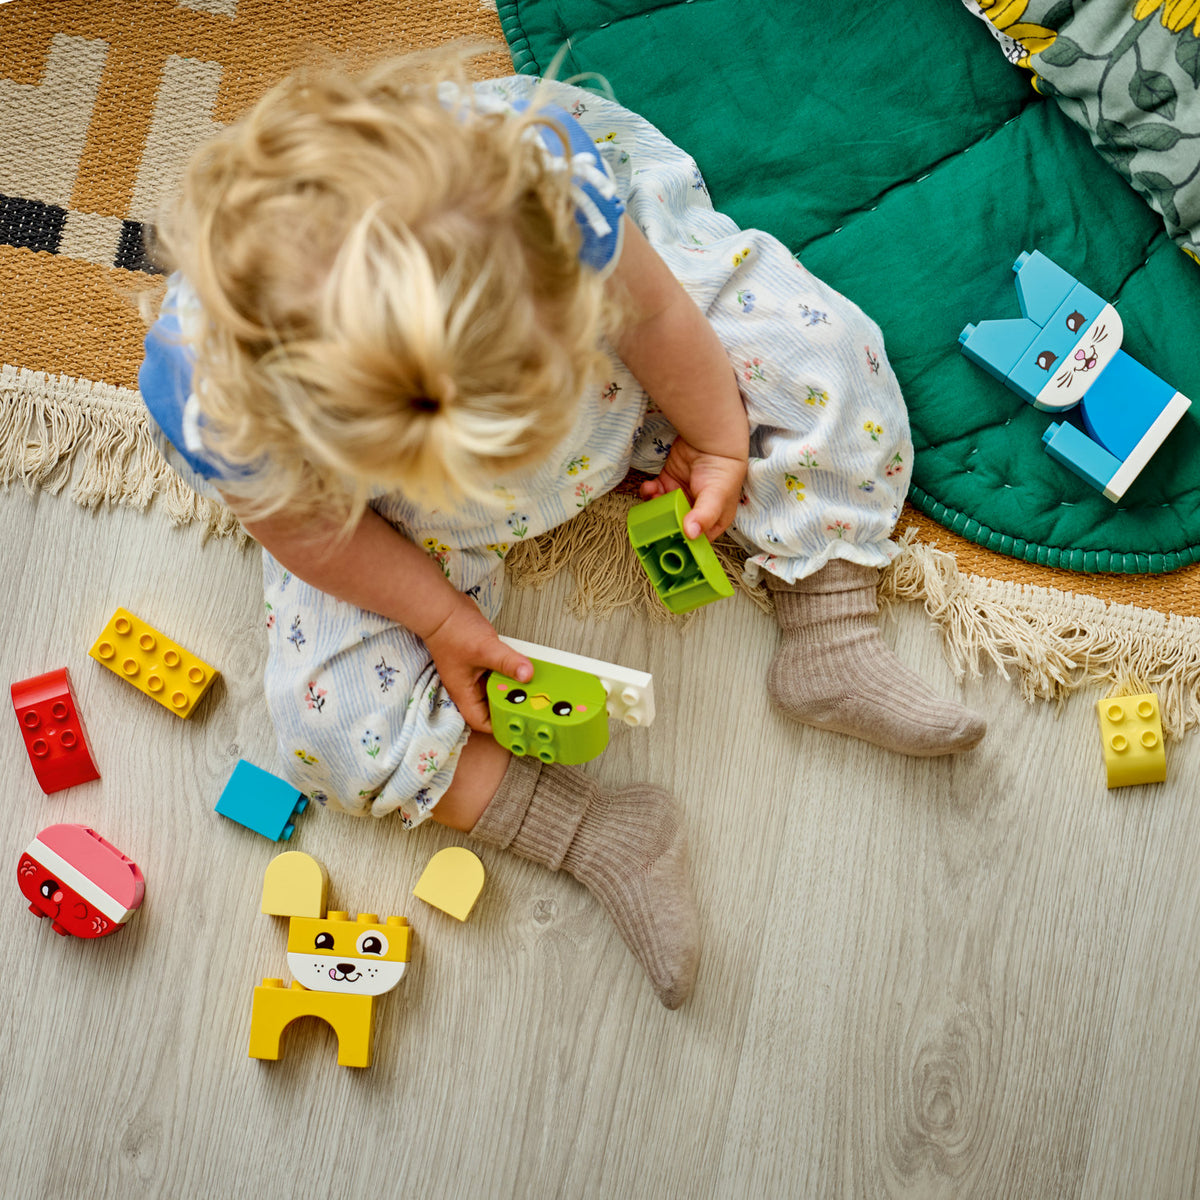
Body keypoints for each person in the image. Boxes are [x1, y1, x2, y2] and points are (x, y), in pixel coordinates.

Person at [139, 51, 986, 1010]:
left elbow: (660, 311)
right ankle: (598, 835)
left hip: (626, 341)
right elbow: (314, 539)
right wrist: (438, 617)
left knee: (821, 353)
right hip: (405, 519)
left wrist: (714, 436)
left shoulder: (531, 182)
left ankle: (829, 626)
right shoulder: (222, 400)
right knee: (327, 724)